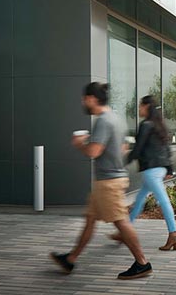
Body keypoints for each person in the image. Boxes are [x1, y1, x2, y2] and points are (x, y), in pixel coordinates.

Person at [49, 82, 152, 280]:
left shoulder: (103, 121)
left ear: (92, 99)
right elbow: (122, 148)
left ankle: (142, 263)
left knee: (121, 222)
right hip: (108, 180)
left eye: (84, 98)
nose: (82, 101)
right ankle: (70, 259)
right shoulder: (116, 118)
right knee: (90, 220)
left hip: (109, 182)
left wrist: (80, 144)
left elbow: (94, 152)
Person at [111, 95, 176, 251]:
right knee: (140, 198)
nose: (139, 109)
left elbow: (138, 149)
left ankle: (173, 234)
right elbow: (166, 149)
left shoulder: (146, 125)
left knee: (163, 200)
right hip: (160, 168)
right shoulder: (159, 125)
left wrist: (122, 164)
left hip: (151, 170)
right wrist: (169, 168)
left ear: (147, 106)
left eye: (141, 106)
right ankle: (124, 231)